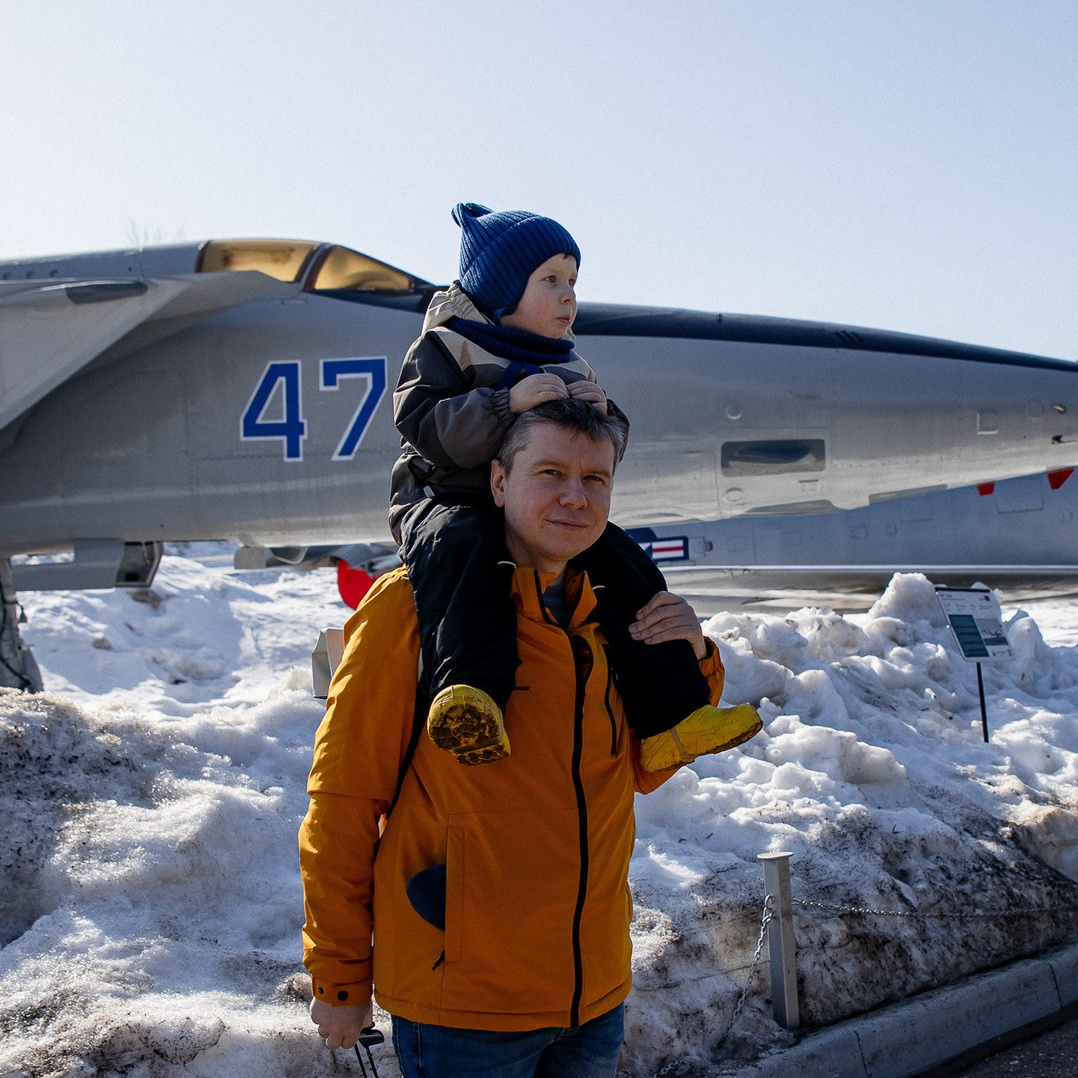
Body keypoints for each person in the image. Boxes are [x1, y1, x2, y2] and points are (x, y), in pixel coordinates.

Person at [301, 398, 761, 1076]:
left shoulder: (609, 612)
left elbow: (638, 769)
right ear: (498, 481)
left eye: (595, 479)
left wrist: (692, 658)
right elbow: (343, 800)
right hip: (464, 1007)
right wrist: (340, 978)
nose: (576, 497)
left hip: (593, 997)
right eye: (550, 473)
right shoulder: (411, 607)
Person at [392, 202, 759, 772]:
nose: (569, 297)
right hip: (446, 499)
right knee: (463, 551)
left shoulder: (572, 364)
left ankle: (673, 714)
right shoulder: (447, 346)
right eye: (551, 281)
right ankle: (470, 694)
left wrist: (604, 415)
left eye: (573, 282)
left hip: (536, 509)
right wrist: (503, 405)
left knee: (626, 564)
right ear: (502, 290)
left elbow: (603, 450)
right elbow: (422, 427)